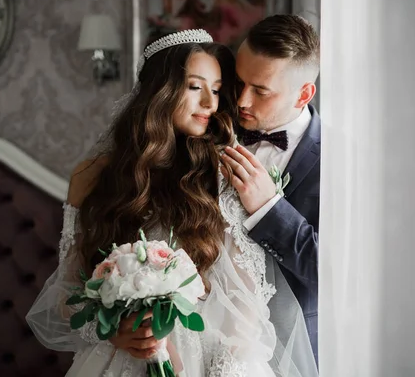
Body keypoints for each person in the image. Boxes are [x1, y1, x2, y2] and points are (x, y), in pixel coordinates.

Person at [25, 29, 316, 376]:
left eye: (218, 90)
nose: (211, 103)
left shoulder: (223, 172)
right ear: (160, 91)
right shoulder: (91, 177)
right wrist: (113, 331)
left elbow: (246, 308)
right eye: (195, 87)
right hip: (121, 360)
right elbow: (68, 293)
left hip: (211, 361)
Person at [221, 14, 321, 363]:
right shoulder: (210, 129)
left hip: (292, 354)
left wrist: (268, 208)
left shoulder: (342, 162)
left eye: (260, 90)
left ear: (303, 94)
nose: (242, 101)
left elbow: (335, 275)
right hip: (207, 338)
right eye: (238, 82)